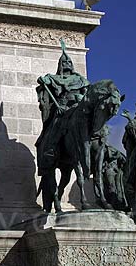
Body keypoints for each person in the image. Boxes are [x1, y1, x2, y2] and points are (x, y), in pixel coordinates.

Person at [35, 39, 90, 175]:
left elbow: (87, 94)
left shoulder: (80, 80)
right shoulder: (54, 78)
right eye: (64, 62)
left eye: (69, 62)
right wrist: (42, 80)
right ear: (60, 65)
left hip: (77, 108)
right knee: (55, 127)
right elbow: (44, 81)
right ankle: (50, 151)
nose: (67, 64)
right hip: (62, 109)